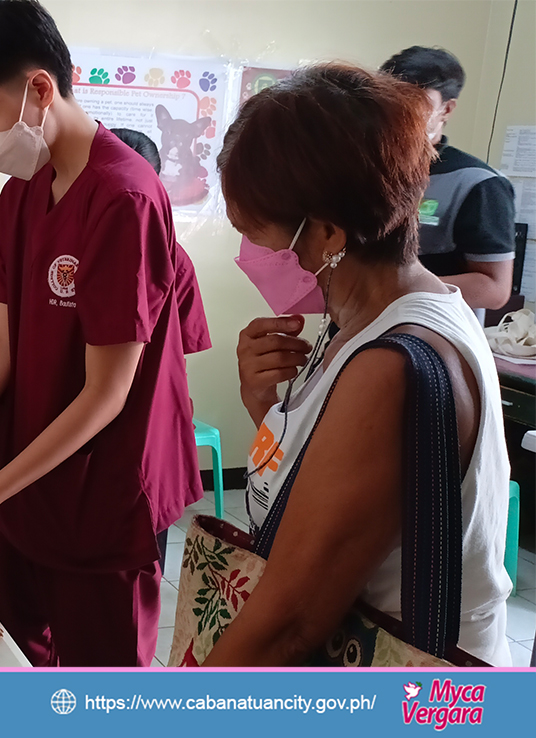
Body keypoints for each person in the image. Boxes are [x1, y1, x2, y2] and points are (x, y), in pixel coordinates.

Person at [0, 0, 208, 667]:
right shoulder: (24, 191)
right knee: (18, 658)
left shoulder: (124, 198)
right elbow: (1, 346)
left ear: (40, 89)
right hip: (28, 487)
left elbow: (108, 394)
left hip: (103, 491)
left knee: (99, 678)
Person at [207, 64, 510, 666]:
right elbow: (319, 485)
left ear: (324, 233)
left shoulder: (391, 364)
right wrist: (263, 406)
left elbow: (290, 623)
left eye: (253, 232)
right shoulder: (363, 322)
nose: (250, 253)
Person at [113, 127, 212, 575]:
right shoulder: (62, 253)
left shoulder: (174, 258)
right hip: (80, 435)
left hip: (149, 428)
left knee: (138, 571)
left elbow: (180, 349)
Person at [381, 46, 516, 317]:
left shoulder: (479, 184)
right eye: (389, 100)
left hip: (429, 338)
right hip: (354, 331)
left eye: (414, 100)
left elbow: (494, 289)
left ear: (447, 108)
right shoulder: (369, 171)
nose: (399, 111)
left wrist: (389, 290)